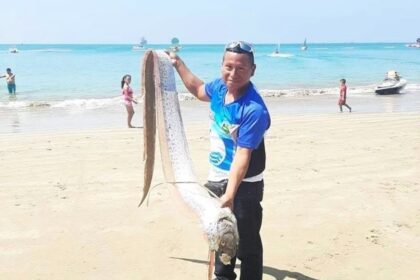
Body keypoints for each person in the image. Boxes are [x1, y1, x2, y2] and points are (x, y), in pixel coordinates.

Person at [169, 41, 270, 280]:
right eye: (228, 67)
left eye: (241, 69)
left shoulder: (254, 110)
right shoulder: (220, 88)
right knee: (221, 237)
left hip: (244, 185)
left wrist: (230, 194)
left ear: (253, 70)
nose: (233, 74)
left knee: (247, 244)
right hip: (216, 178)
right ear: (221, 66)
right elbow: (198, 89)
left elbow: (242, 157)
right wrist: (177, 64)